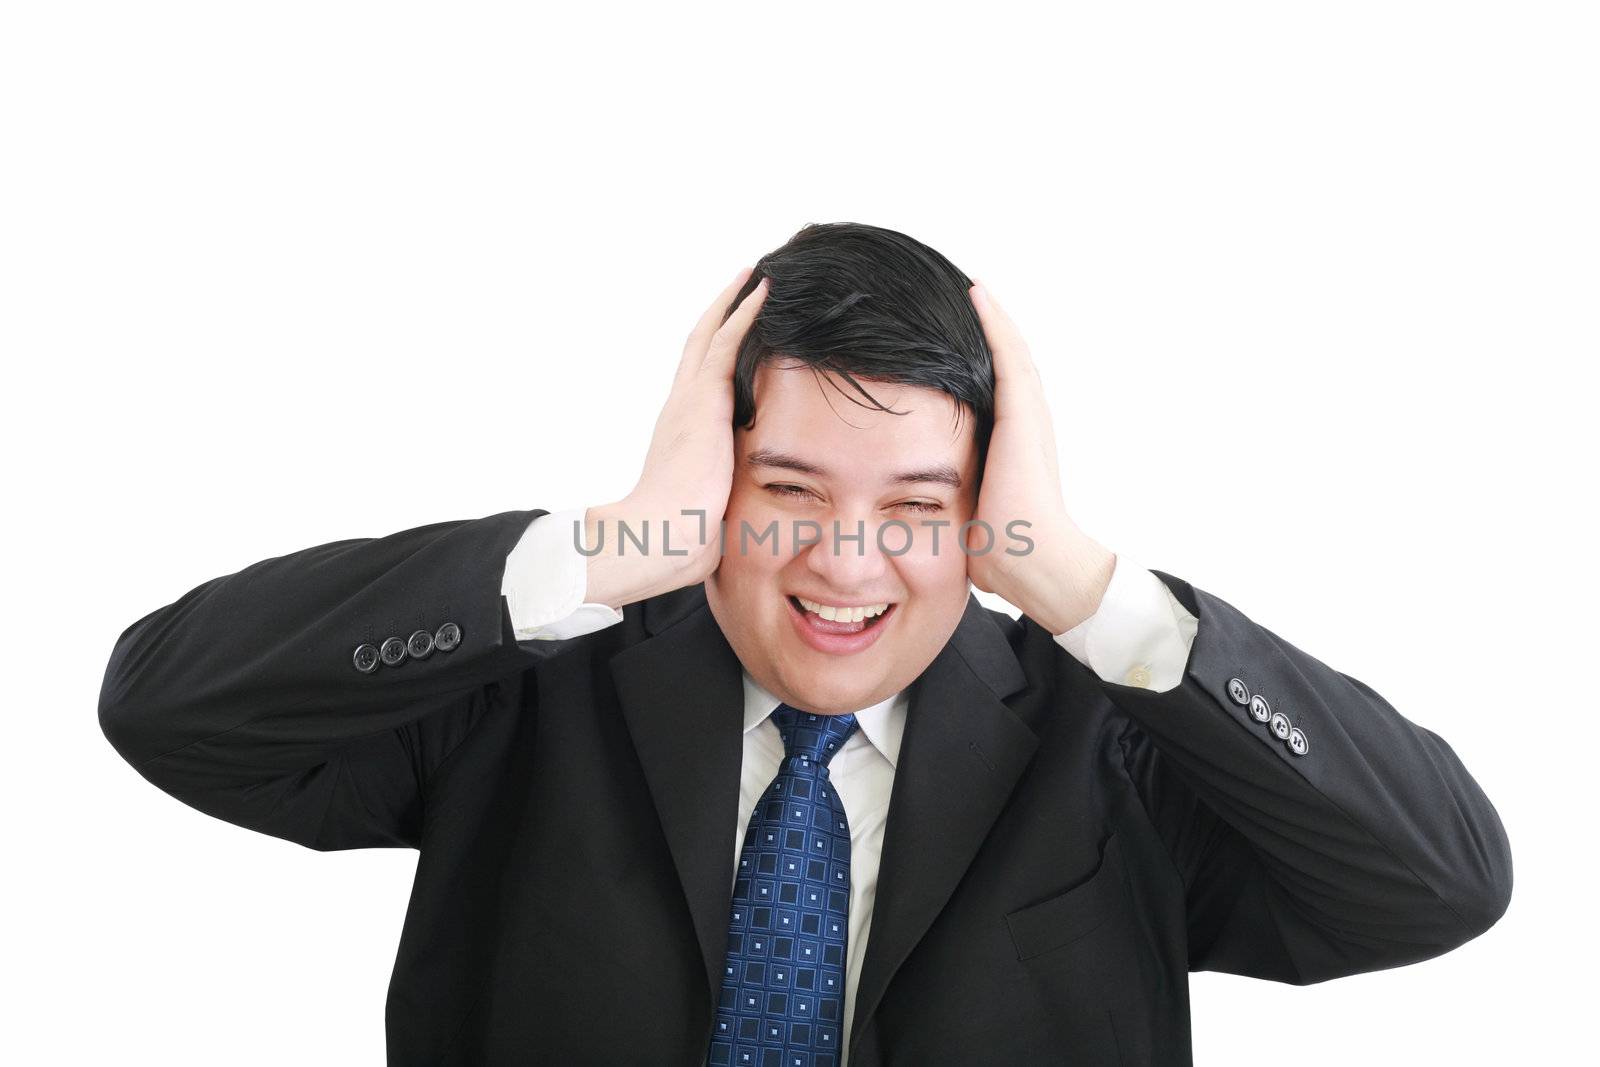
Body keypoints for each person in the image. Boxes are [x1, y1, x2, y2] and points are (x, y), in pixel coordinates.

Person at [98, 222, 1512, 1066]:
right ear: (712, 475)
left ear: (987, 516)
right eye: (786, 494)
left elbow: (1438, 885)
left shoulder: (1113, 745)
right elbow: (169, 706)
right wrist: (606, 549)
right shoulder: (528, 703)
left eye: (919, 508)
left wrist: (1079, 582)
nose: (844, 562)